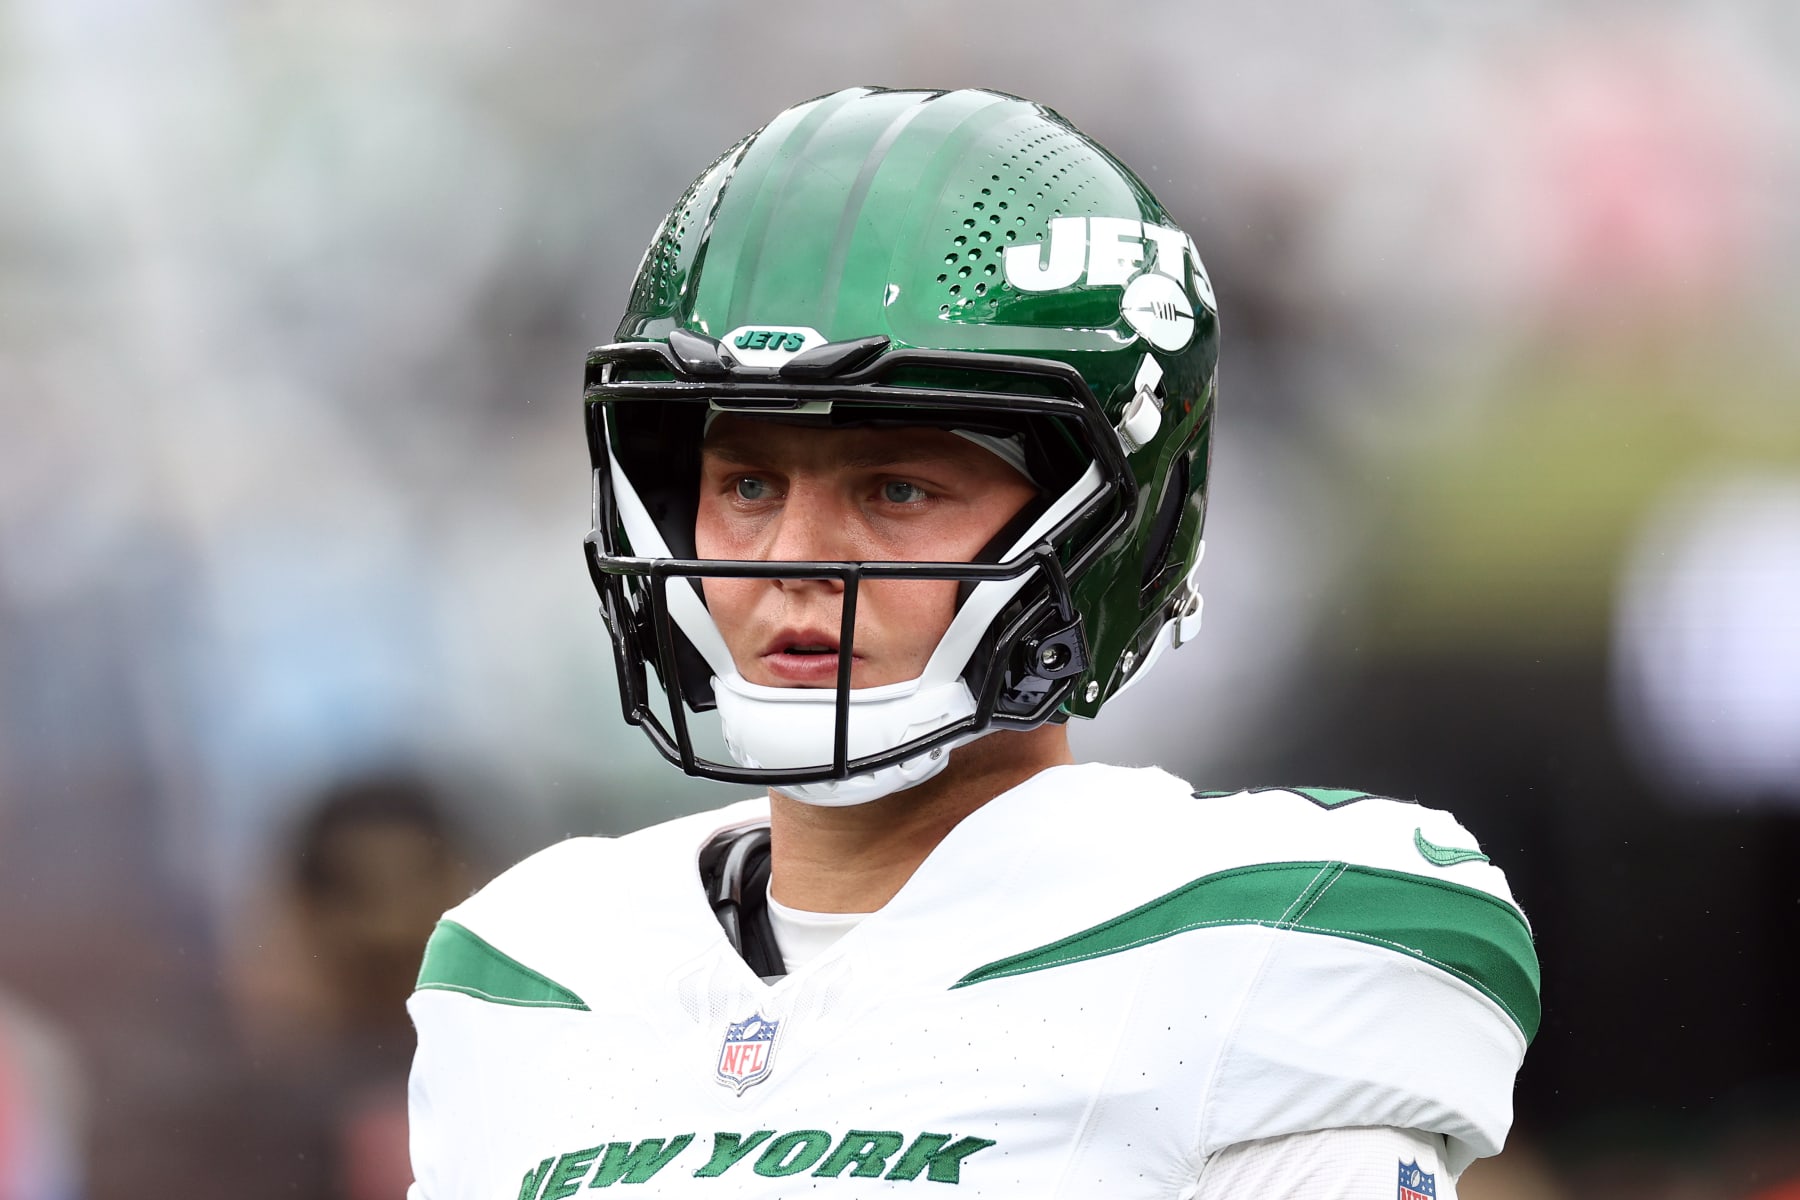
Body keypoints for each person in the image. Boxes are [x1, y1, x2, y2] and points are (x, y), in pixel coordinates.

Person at [406, 86, 1538, 1199]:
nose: (795, 556)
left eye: (896, 488)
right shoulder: (527, 974)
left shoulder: (1256, 951)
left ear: (1110, 525)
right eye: (747, 481)